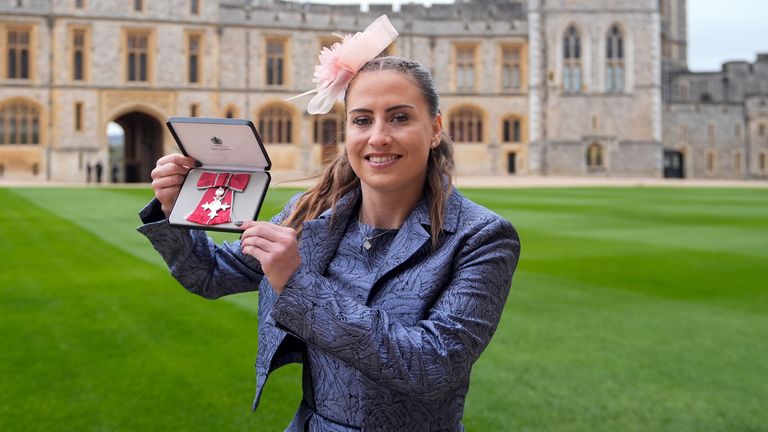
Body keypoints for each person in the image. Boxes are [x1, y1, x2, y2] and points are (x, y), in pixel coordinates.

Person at [138, 18, 519, 432]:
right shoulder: (310, 214)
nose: (378, 137)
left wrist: (297, 283)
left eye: (399, 118)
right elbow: (210, 274)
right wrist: (176, 213)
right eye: (361, 120)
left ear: (435, 129)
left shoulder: (481, 237)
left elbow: (432, 366)